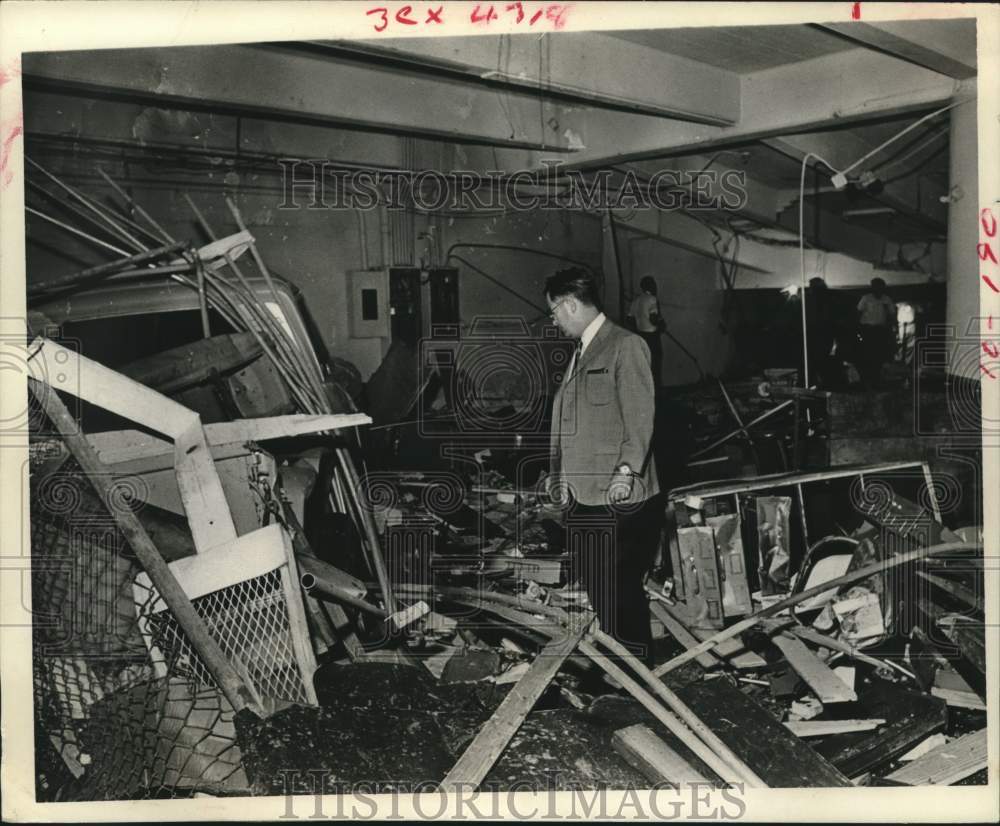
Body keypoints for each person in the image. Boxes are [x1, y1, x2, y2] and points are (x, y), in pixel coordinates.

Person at [544, 267, 661, 663]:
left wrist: (626, 473)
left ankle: (638, 672)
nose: (554, 320)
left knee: (619, 589)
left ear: (571, 304)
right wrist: (558, 477)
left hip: (615, 493)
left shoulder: (625, 346)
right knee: (600, 587)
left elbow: (640, 417)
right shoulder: (582, 351)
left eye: (554, 312)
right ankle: (620, 671)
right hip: (583, 494)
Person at [855, 277, 897, 388]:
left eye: (880, 287)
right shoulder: (866, 298)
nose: (877, 289)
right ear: (872, 287)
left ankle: (877, 378)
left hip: (880, 331)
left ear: (883, 288)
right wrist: (858, 330)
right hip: (867, 330)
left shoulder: (887, 299)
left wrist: (893, 328)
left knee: (879, 355)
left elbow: (892, 315)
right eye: (875, 286)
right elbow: (858, 313)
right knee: (867, 354)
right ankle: (866, 379)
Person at [626, 276, 665, 387]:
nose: (655, 287)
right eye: (653, 284)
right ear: (650, 286)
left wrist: (639, 328)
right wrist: (661, 324)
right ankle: (657, 397)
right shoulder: (652, 299)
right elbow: (653, 318)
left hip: (641, 337)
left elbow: (629, 319)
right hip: (652, 338)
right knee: (655, 368)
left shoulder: (636, 301)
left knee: (643, 367)